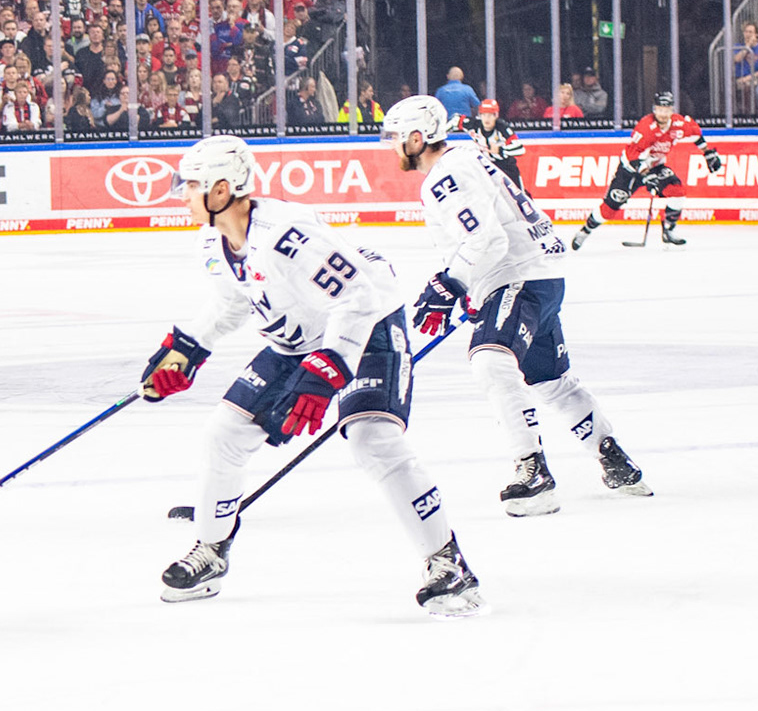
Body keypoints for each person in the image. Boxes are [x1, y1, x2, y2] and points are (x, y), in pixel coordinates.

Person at [139, 135, 483, 617]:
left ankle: (448, 563)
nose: (182, 195)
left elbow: (358, 298)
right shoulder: (212, 242)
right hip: (299, 337)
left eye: (190, 186)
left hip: (369, 327)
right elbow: (232, 300)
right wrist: (189, 349)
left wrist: (328, 369)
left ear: (220, 191)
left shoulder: (286, 234)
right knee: (225, 433)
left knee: (373, 440)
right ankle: (211, 553)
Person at [383, 96, 652, 515]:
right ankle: (613, 458)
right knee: (549, 379)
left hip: (518, 275)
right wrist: (473, 288)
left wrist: (450, 283)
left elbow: (487, 241)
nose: (392, 146)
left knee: (490, 361)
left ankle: (533, 472)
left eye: (397, 138)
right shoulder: (467, 157)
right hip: (538, 272)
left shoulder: (444, 177)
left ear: (417, 138)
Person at [570, 91, 722, 248]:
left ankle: (668, 230)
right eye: (660, 109)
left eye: (666, 109)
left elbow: (696, 134)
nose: (663, 113)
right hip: (630, 170)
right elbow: (632, 157)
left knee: (678, 191)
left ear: (672, 110)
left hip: (656, 167)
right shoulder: (646, 128)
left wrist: (708, 153)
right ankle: (584, 231)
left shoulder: (679, 124)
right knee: (609, 209)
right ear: (654, 109)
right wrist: (646, 175)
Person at [467, 99, 526, 185]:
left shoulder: (503, 128)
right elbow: (456, 120)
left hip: (506, 167)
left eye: (490, 115)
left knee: (517, 195)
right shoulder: (474, 125)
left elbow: (520, 149)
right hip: (487, 167)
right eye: (484, 115)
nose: (487, 119)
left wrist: (500, 150)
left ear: (496, 115)